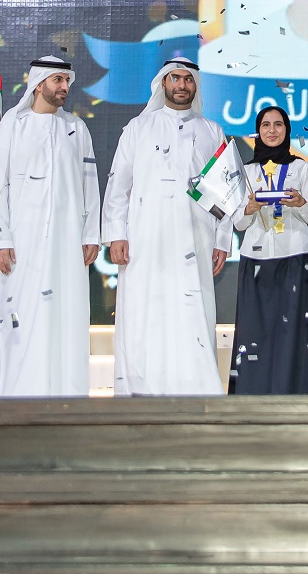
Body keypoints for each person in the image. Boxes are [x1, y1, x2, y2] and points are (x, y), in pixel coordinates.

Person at [103, 58, 230, 397]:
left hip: (197, 237)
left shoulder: (212, 131)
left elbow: (225, 192)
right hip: (145, 238)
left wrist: (223, 239)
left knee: (192, 308)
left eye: (189, 80)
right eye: (176, 78)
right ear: (163, 83)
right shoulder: (138, 128)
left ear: (196, 86)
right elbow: (119, 186)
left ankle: (197, 386)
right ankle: (142, 386)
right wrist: (117, 233)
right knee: (146, 309)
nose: (182, 85)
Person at [0, 56, 102, 397]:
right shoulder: (13, 123)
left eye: (67, 81)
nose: (64, 88)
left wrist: (91, 234)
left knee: (65, 315)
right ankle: (19, 395)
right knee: (22, 315)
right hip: (21, 241)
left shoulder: (76, 128)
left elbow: (89, 184)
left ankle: (66, 393)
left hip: (67, 242)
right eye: (57, 81)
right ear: (39, 84)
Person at [228, 105, 308, 395]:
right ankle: (252, 394)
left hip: (294, 258)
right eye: (266, 125)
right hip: (255, 259)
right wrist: (250, 206)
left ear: (287, 131)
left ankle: (296, 393)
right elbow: (239, 223)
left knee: (293, 332)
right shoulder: (245, 173)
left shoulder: (301, 168)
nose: (272, 130)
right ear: (258, 132)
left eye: (278, 125)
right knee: (255, 332)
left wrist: (299, 204)